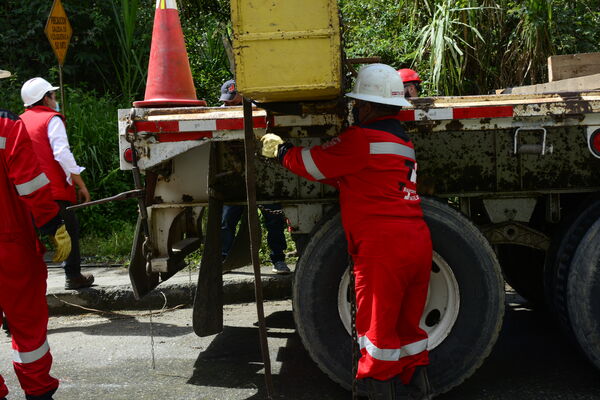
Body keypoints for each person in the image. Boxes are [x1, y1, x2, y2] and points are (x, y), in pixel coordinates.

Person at [261, 64, 433, 399]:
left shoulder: (361, 139)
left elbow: (315, 163)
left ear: (367, 106)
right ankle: (420, 382)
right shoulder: (401, 141)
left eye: (357, 105)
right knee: (407, 323)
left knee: (378, 328)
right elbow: (350, 173)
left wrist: (281, 151)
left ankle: (376, 387)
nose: (354, 110)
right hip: (417, 240)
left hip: (384, 247)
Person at [1, 68, 72, 400]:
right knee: (27, 325)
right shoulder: (5, 126)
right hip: (10, 242)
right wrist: (52, 225)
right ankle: (38, 392)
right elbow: (30, 184)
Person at [19, 77, 94, 290]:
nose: (55, 100)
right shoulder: (52, 119)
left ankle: (25, 285)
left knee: (28, 241)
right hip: (54, 191)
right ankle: (73, 276)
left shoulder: (19, 121)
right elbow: (62, 153)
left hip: (26, 193)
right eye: (52, 95)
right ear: (46, 98)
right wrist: (80, 183)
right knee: (69, 229)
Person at [219, 79, 291, 274]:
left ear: (243, 97)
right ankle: (223, 259)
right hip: (235, 175)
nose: (227, 106)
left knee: (274, 220)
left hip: (264, 175)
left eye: (232, 103)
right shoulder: (219, 115)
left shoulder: (261, 113)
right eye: (226, 103)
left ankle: (278, 259)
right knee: (227, 220)